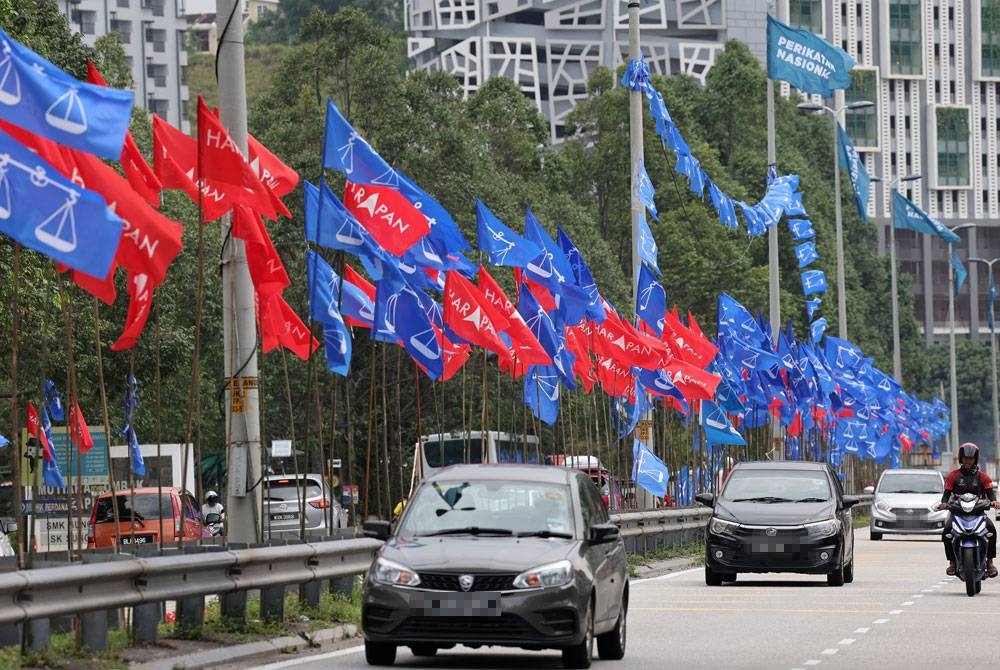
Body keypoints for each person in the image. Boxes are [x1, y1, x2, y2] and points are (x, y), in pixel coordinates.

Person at [936, 443, 1000, 577]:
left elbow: (990, 494)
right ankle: (952, 562)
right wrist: (943, 503)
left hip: (978, 513)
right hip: (957, 513)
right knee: (946, 531)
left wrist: (994, 501)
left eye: (971, 459)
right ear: (961, 458)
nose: (968, 461)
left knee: (992, 530)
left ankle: (990, 562)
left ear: (975, 459)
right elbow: (946, 494)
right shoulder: (953, 476)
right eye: (966, 458)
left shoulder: (983, 477)